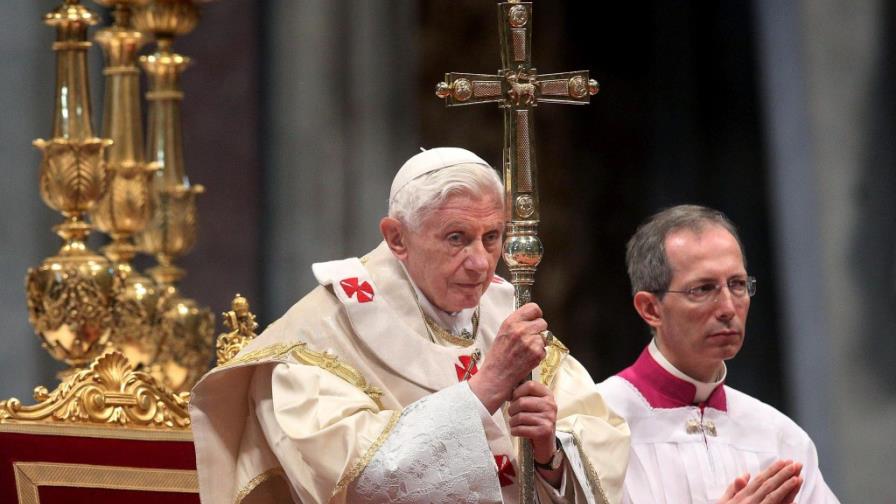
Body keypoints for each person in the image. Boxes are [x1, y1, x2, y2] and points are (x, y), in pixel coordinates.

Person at [190, 147, 630, 503]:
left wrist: (549, 455)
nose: (480, 263)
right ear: (397, 238)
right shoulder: (324, 333)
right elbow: (356, 481)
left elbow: (600, 441)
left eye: (492, 237)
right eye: (456, 238)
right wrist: (483, 391)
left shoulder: (505, 312)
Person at [596, 205, 838, 503]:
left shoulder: (779, 437)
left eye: (737, 285)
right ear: (650, 308)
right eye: (703, 289)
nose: (727, 308)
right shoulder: (597, 420)